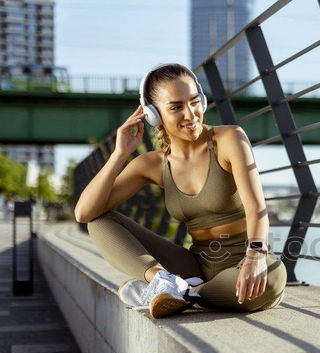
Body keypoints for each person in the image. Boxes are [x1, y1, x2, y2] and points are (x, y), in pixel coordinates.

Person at [74, 63, 286, 318]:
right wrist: (119, 154)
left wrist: (256, 255)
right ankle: (163, 282)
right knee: (99, 221)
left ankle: (180, 294)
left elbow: (256, 207)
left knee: (271, 280)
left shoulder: (229, 139)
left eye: (195, 102)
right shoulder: (152, 164)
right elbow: (84, 213)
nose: (191, 114)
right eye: (176, 107)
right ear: (154, 115)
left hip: (244, 260)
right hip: (193, 265)